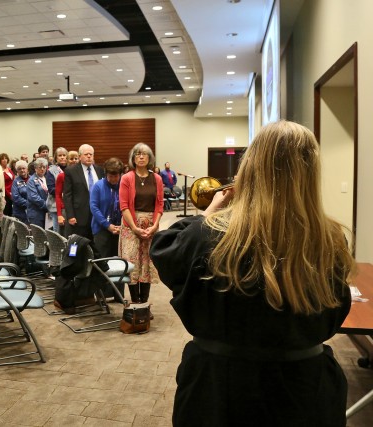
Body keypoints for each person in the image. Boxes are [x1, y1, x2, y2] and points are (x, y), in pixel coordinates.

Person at [150, 121, 355, 427]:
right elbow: (336, 313)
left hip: (218, 389)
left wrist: (208, 212)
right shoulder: (331, 240)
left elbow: (165, 251)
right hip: (305, 388)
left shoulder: (208, 234)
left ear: (250, 168)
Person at [119, 143, 163, 306]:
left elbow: (159, 205)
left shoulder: (157, 178)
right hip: (131, 225)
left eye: (144, 154)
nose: (141, 156)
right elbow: (124, 206)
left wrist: (154, 226)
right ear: (133, 158)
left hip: (151, 225)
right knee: (133, 263)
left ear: (150, 158)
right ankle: (135, 302)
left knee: (147, 263)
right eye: (138, 154)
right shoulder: (127, 178)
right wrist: (135, 227)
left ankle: (144, 303)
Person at [90, 157, 125, 301]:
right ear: (105, 174)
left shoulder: (124, 185)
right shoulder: (98, 186)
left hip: (120, 229)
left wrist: (122, 225)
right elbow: (94, 208)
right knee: (102, 263)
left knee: (119, 262)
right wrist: (107, 225)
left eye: (116, 175)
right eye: (110, 176)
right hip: (102, 229)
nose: (113, 179)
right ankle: (102, 295)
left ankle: (118, 295)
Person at [62, 144, 104, 239]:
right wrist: (70, 215)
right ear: (80, 156)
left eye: (91, 154)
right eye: (86, 154)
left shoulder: (99, 170)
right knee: (76, 244)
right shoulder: (71, 171)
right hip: (79, 215)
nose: (89, 156)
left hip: (97, 214)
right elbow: (67, 195)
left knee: (95, 243)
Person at [55, 150, 78, 236]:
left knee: (77, 237)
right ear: (67, 161)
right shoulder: (61, 176)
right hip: (66, 210)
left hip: (79, 210)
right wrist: (59, 215)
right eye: (71, 159)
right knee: (66, 236)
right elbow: (58, 195)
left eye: (76, 158)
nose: (74, 160)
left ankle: (76, 250)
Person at [46, 147, 67, 232]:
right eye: (59, 155)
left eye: (64, 155)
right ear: (56, 158)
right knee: (58, 231)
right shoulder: (51, 170)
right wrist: (65, 193)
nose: (62, 157)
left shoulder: (71, 169)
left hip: (68, 205)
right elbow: (51, 189)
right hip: (55, 205)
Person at [25, 158, 49, 228]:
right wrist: (47, 206)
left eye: (44, 167)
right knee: (38, 237)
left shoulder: (47, 179)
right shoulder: (31, 180)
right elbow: (33, 197)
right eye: (40, 167)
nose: (42, 169)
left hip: (46, 213)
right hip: (36, 213)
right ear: (35, 168)